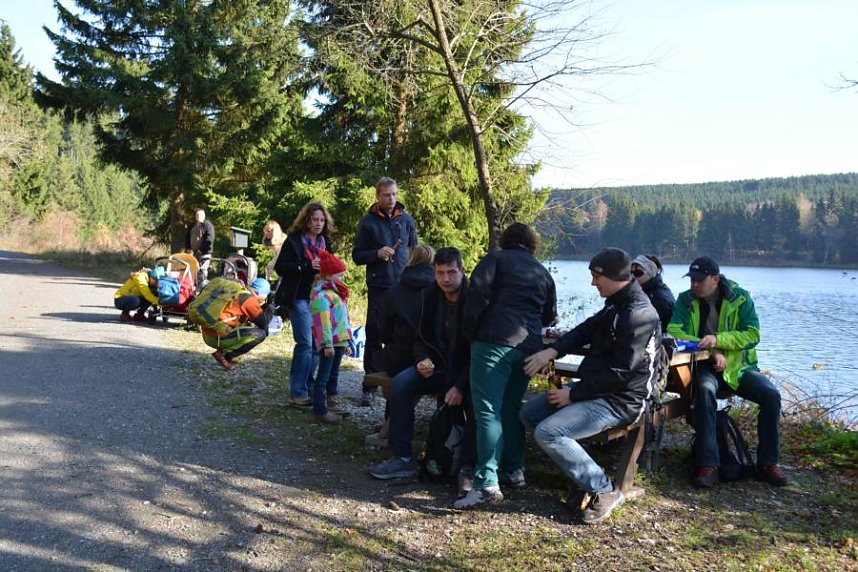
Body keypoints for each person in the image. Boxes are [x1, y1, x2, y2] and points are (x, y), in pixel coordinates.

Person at [520, 247, 662, 525]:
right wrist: (553, 352)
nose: (592, 283)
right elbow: (586, 329)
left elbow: (621, 373)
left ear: (612, 277)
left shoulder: (638, 315)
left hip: (622, 401)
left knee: (549, 432)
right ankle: (582, 477)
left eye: (596, 277)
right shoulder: (617, 303)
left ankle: (603, 489)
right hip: (598, 390)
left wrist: (572, 394)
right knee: (530, 414)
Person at [454, 223, 557, 509]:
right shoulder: (542, 272)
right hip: (529, 349)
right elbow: (549, 315)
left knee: (487, 410)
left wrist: (471, 332)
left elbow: (476, 297)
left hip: (493, 342)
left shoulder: (494, 261)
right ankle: (514, 469)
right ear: (531, 244)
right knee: (511, 408)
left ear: (506, 241)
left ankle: (486, 482)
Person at [667, 256, 788, 488]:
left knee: (771, 396)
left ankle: (768, 463)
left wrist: (719, 340)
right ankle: (708, 464)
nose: (693, 284)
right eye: (691, 279)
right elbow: (674, 331)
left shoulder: (740, 298)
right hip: (704, 365)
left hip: (739, 368)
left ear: (715, 279)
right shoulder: (685, 300)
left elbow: (753, 334)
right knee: (703, 392)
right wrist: (711, 349)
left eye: (699, 280)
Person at [369, 247, 473, 481]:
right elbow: (421, 337)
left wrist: (460, 385)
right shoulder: (430, 295)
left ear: (462, 271)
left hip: (467, 373)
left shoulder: (474, 299)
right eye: (440, 272)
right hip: (437, 366)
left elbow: (478, 352)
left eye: (451, 272)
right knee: (402, 383)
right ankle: (402, 458)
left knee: (478, 401)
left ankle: (467, 465)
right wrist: (422, 358)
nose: (445, 279)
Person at [352, 176, 419, 404]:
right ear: (377, 196)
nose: (391, 199)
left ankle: (397, 381)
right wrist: (376, 253)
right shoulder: (368, 222)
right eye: (386, 195)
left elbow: (415, 252)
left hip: (403, 287)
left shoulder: (407, 220)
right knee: (374, 332)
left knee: (400, 333)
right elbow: (357, 256)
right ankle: (369, 385)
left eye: (394, 194)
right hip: (379, 286)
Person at [274, 202, 335, 406]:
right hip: (298, 296)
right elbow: (281, 267)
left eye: (322, 220)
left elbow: (332, 265)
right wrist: (306, 265)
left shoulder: (325, 241)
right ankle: (298, 392)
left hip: (319, 298)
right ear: (307, 220)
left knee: (318, 345)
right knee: (305, 343)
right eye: (315, 220)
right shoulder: (294, 240)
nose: (319, 224)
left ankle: (308, 388)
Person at [378, 244, 436, 377]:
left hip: (398, 359)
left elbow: (384, 332)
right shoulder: (439, 290)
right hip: (432, 360)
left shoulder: (394, 290)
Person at [309, 250, 352, 423]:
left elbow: (343, 319)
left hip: (339, 341)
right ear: (327, 276)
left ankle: (330, 403)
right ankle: (320, 409)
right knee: (323, 377)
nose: (342, 279)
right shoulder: (322, 297)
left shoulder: (337, 294)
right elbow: (323, 323)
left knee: (333, 375)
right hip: (330, 343)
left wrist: (347, 339)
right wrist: (327, 344)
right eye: (340, 276)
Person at [203, 277, 273, 371]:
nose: (263, 301)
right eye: (264, 298)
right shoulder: (249, 300)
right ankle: (226, 355)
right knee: (261, 334)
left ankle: (230, 353)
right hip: (216, 337)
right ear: (258, 293)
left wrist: (266, 307)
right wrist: (271, 305)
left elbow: (256, 315)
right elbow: (264, 323)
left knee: (249, 327)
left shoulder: (240, 292)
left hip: (207, 333)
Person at [631, 254, 675, 331]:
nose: (633, 277)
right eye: (631, 272)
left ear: (651, 273)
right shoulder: (643, 292)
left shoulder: (659, 299)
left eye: (638, 273)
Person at [185, 208, 215, 277]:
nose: (199, 216)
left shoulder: (208, 225)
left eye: (200, 214)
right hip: (192, 253)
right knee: (191, 271)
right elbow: (187, 237)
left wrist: (201, 250)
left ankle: (203, 287)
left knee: (203, 271)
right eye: (197, 214)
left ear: (204, 215)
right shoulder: (192, 225)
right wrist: (188, 248)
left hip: (204, 253)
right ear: (195, 216)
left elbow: (210, 239)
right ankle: (193, 286)